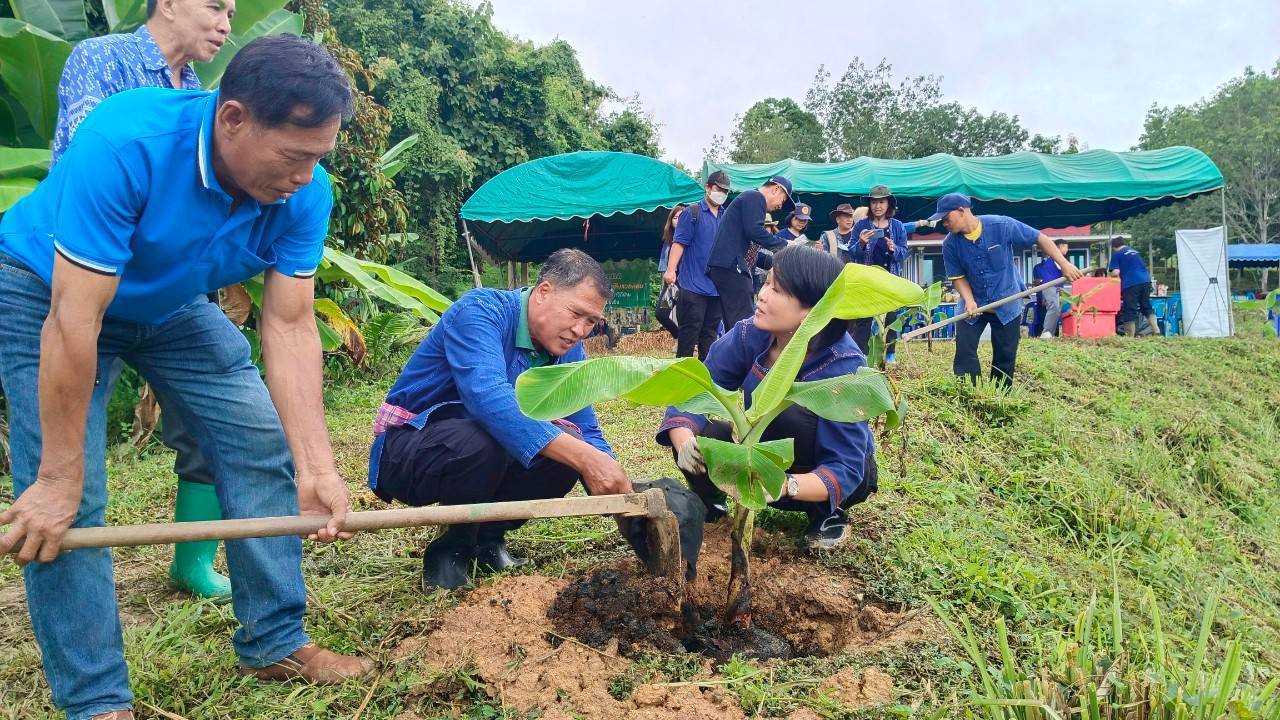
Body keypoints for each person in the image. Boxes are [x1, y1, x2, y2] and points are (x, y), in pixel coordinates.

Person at [0, 37, 375, 720]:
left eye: (319, 158)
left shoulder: (304, 192)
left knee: (260, 441)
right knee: (66, 497)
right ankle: (96, 702)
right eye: (293, 156)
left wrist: (318, 464)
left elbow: (289, 326)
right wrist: (57, 477)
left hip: (168, 304)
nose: (305, 177)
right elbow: (74, 319)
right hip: (47, 290)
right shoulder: (128, 142)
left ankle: (275, 641)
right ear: (231, 118)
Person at [51, 0, 238, 603]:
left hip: (173, 289)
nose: (226, 22)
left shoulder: (203, 95)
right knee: (73, 447)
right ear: (169, 3)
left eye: (234, 11)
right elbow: (93, 164)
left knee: (214, 423)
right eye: (215, 5)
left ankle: (193, 561)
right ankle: (80, 596)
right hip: (89, 277)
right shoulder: (100, 60)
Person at [369, 249, 632, 591]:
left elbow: (585, 424)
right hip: (411, 448)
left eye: (591, 323)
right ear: (544, 291)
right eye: (577, 314)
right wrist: (583, 457)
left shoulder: (569, 351)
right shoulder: (481, 311)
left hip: (483, 450)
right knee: (487, 440)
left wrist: (613, 482)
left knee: (570, 451)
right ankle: (451, 548)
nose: (581, 330)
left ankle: (487, 539)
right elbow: (487, 396)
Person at [657, 245, 877, 550]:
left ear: (813, 310)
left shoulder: (843, 363)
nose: (762, 294)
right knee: (702, 434)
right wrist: (683, 441)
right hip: (756, 469)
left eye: (777, 289)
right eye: (765, 283)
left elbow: (846, 465)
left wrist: (785, 484)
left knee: (788, 414)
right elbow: (696, 389)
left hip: (806, 480)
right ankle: (715, 505)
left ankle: (826, 515)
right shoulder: (751, 334)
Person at [932, 193, 1082, 388]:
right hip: (973, 304)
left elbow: (1040, 237)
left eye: (946, 218)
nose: (944, 223)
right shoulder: (950, 244)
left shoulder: (1001, 226)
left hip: (1007, 302)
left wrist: (1064, 264)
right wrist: (969, 300)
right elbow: (958, 277)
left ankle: (998, 397)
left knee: (1005, 356)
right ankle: (970, 393)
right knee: (964, 352)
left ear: (962, 211)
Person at [706, 175, 795, 326]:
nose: (780, 206)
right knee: (744, 321)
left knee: (734, 322)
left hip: (727, 266)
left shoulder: (748, 200)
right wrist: (786, 245)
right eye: (783, 200)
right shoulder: (755, 197)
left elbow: (750, 250)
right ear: (776, 189)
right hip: (732, 267)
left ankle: (734, 349)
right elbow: (754, 231)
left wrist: (777, 261)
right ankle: (746, 349)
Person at [665, 171, 730, 360]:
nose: (722, 194)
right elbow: (679, 243)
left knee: (710, 334)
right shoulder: (691, 212)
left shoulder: (726, 216)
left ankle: (705, 374)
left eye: (725, 191)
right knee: (689, 331)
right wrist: (670, 270)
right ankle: (682, 374)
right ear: (708, 188)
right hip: (693, 285)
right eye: (719, 189)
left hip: (717, 287)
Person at [849, 185, 911, 362]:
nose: (878, 206)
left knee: (891, 316)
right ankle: (861, 355)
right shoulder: (861, 225)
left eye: (882, 202)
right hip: (867, 280)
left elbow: (904, 253)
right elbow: (852, 252)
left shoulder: (898, 226)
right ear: (869, 204)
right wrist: (861, 243)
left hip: (889, 280)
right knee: (863, 318)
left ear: (888, 204)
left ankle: (889, 355)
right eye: (874, 202)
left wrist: (894, 248)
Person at [1109, 237, 1161, 337]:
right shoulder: (1135, 252)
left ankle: (1130, 336)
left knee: (1129, 309)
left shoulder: (1117, 254)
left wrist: (1109, 277)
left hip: (1131, 283)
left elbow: (1115, 273)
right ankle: (1156, 329)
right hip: (1146, 280)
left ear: (1114, 247)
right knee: (1146, 305)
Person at [655, 204, 684, 339]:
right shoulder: (668, 241)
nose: (678, 220)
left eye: (681, 217)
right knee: (661, 314)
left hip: (687, 282)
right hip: (672, 283)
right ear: (671, 220)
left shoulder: (692, 238)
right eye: (675, 217)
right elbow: (664, 265)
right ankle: (679, 336)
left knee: (686, 316)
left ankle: (688, 342)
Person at [1032, 241, 1071, 338]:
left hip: (1052, 288)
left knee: (1055, 310)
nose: (1067, 249)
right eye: (1065, 246)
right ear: (1059, 247)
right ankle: (1047, 332)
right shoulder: (1057, 258)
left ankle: (1050, 333)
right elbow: (1066, 271)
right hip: (1051, 286)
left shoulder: (1054, 259)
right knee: (1054, 308)